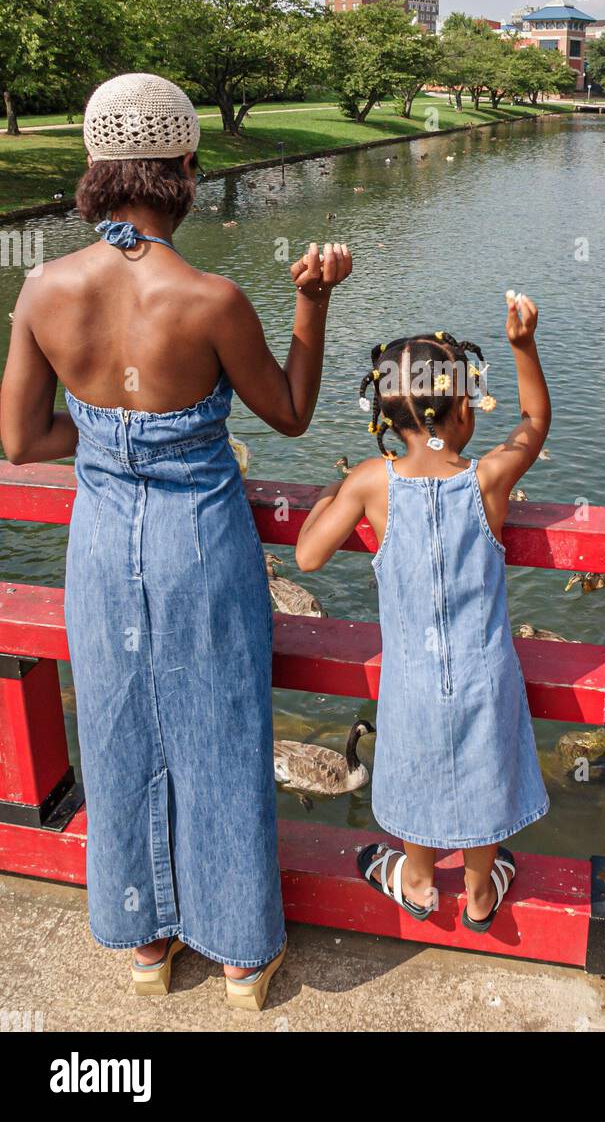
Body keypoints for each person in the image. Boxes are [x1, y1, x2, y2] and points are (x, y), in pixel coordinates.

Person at [0, 73, 352, 1010]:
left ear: (92, 165)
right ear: (185, 170)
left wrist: (115, 435)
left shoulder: (42, 288)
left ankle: (146, 944)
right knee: (224, 735)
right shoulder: (212, 299)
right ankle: (241, 958)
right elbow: (289, 413)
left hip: (105, 548)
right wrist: (312, 300)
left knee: (115, 732)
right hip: (202, 545)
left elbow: (23, 440)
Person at [295, 294, 550, 931]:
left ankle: (414, 881)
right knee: (486, 769)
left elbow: (305, 558)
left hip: (411, 678)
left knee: (414, 770)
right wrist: (522, 345)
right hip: (484, 673)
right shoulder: (487, 479)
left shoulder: (370, 483)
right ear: (463, 410)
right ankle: (481, 893)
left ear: (387, 416)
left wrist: (332, 491)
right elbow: (534, 421)